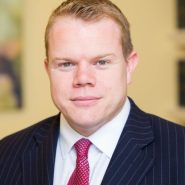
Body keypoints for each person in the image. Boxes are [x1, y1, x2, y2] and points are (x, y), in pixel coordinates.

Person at [0, 0, 185, 184]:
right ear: (48, 70)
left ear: (129, 66)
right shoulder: (6, 154)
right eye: (66, 64)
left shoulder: (180, 150)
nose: (83, 78)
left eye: (101, 62)